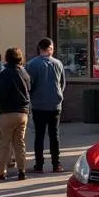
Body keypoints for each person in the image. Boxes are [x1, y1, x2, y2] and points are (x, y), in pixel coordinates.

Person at [0, 47, 30, 181]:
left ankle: (1, 171)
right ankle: (21, 170)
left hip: (8, 112)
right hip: (23, 112)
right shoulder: (24, 72)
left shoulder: (6, 74)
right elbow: (30, 88)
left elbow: (0, 93)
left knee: (5, 143)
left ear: (7, 58)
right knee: (19, 143)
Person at [26, 37, 66, 173]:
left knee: (39, 136)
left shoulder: (31, 64)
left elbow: (29, 85)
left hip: (38, 105)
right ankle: (56, 164)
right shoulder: (58, 64)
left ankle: (39, 164)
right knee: (54, 135)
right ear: (49, 48)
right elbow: (62, 84)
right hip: (55, 104)